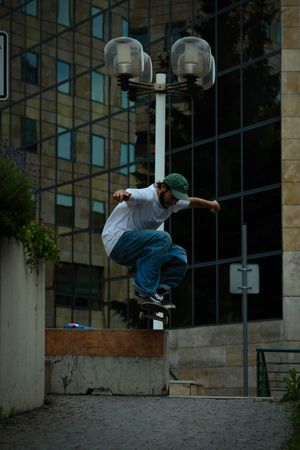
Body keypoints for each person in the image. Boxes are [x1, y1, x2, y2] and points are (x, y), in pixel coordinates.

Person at [102, 173, 220, 308]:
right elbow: (129, 193)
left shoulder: (173, 202)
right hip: (117, 241)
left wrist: (211, 204)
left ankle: (158, 292)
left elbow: (193, 201)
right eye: (173, 197)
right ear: (163, 187)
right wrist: (121, 193)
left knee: (178, 255)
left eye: (177, 199)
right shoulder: (147, 195)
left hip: (134, 247)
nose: (174, 202)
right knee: (163, 238)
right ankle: (144, 291)